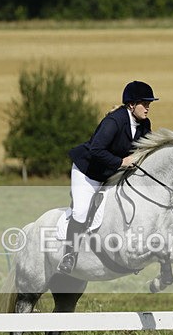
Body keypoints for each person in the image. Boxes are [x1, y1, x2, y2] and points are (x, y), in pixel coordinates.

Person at [57, 80, 159, 274]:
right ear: (131, 105)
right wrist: (121, 162)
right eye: (144, 103)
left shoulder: (145, 125)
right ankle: (69, 255)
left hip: (111, 172)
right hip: (88, 171)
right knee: (81, 211)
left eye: (149, 104)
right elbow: (96, 150)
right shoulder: (114, 122)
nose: (147, 108)